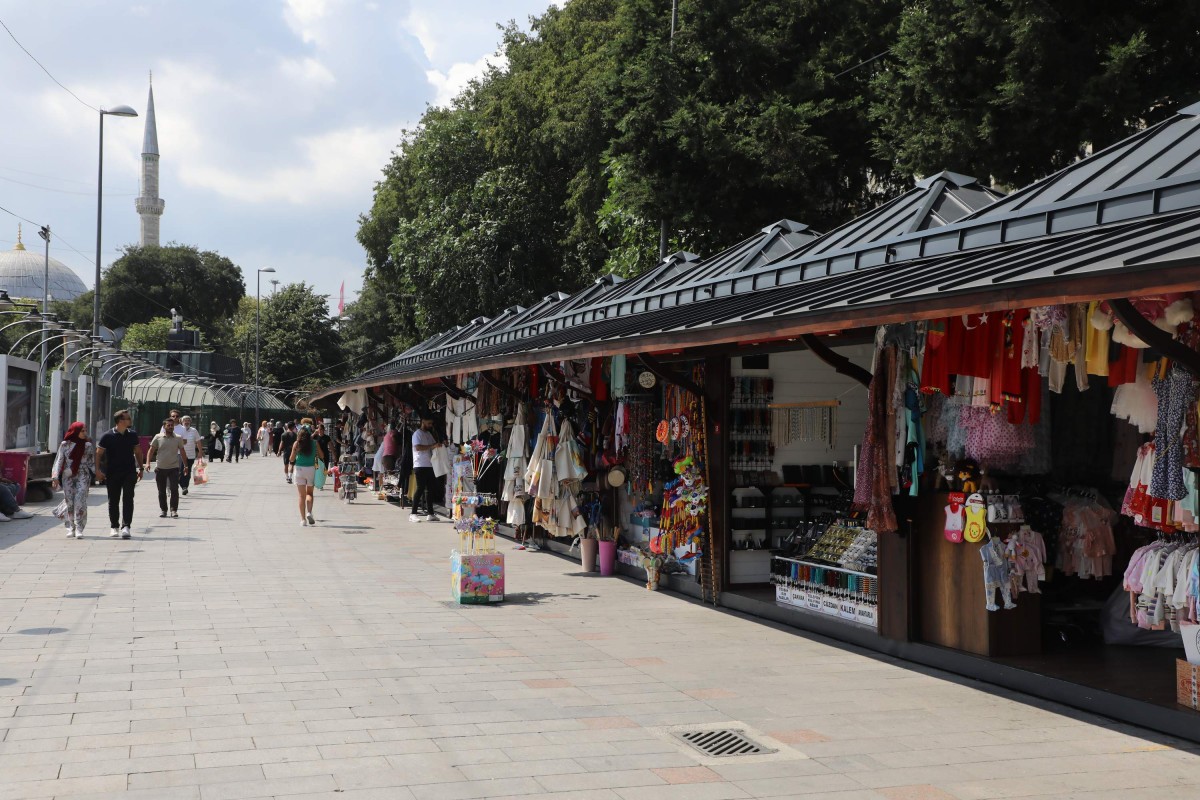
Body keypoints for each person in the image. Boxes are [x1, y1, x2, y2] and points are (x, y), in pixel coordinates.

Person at [96, 409, 143, 539]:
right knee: (113, 500)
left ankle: (126, 526)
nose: (130, 420)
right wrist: (97, 470)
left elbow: (138, 452)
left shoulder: (132, 435)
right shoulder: (107, 436)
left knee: (128, 498)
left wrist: (141, 468)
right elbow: (98, 454)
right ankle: (114, 526)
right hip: (112, 472)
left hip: (129, 472)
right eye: (127, 418)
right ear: (120, 421)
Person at [52, 421, 95, 538]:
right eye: (82, 431)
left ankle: (80, 527)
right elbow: (59, 460)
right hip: (68, 475)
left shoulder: (88, 445)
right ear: (75, 431)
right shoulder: (65, 444)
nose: (85, 433)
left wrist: (99, 473)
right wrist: (55, 477)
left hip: (83, 474)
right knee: (69, 501)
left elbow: (91, 462)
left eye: (85, 430)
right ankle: (71, 527)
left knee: (80, 499)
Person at [147, 417, 188, 518]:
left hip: (174, 467)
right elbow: (151, 451)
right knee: (161, 491)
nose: (170, 427)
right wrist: (147, 463)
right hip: (160, 468)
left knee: (174, 489)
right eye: (168, 425)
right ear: (164, 426)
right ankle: (163, 510)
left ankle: (173, 510)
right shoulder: (158, 437)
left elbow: (182, 452)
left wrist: (186, 466)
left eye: (172, 425)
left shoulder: (178, 438)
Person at [290, 424, 326, 526]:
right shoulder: (315, 443)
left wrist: (296, 453)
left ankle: (302, 520)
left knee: (301, 496)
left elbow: (291, 459)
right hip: (311, 469)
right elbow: (322, 455)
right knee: (309, 493)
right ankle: (309, 512)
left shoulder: (296, 444)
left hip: (299, 470)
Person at [410, 415, 442, 523]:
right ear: (423, 421)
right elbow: (418, 447)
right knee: (420, 489)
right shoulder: (417, 434)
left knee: (430, 490)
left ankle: (430, 513)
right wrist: (432, 446)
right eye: (429, 423)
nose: (430, 425)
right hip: (420, 465)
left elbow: (433, 444)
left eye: (431, 424)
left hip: (430, 464)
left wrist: (439, 445)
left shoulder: (428, 434)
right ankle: (413, 513)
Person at [175, 416, 205, 495]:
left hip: (190, 455)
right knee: (180, 471)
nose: (186, 422)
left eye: (188, 420)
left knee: (187, 471)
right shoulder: (179, 430)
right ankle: (179, 484)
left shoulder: (194, 430)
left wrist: (200, 452)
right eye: (185, 420)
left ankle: (185, 487)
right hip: (179, 454)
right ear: (182, 421)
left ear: (190, 422)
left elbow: (198, 441)